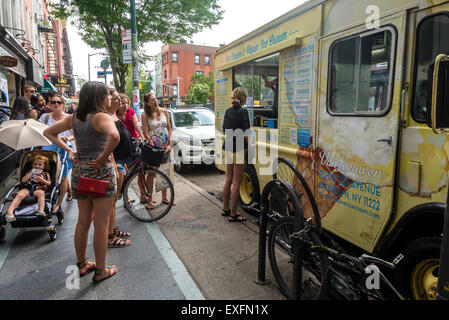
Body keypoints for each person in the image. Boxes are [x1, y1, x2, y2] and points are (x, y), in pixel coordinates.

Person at [44, 81, 120, 283]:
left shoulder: (74, 118)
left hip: (79, 172)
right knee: (101, 225)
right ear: (98, 97)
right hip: (100, 171)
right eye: (107, 94)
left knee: (83, 221)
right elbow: (114, 136)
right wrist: (104, 157)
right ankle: (101, 270)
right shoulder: (101, 117)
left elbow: (48, 133)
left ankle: (83, 263)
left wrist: (70, 150)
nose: (110, 98)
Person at [39, 93, 75, 214]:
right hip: (49, 149)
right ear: (50, 104)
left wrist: (68, 139)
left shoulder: (69, 117)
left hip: (65, 149)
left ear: (63, 104)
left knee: (63, 177)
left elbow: (74, 134)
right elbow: (40, 131)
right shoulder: (45, 117)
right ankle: (69, 191)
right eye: (53, 102)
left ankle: (59, 203)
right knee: (53, 175)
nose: (56, 104)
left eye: (58, 102)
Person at [105, 88, 131, 248]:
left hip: (121, 162)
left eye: (119, 99)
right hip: (116, 163)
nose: (119, 100)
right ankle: (109, 235)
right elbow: (109, 144)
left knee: (114, 201)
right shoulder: (107, 117)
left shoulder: (115, 115)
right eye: (115, 98)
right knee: (112, 201)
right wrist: (115, 165)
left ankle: (112, 229)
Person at [221, 87, 250, 222]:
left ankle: (225, 208)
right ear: (243, 98)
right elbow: (246, 134)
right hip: (238, 148)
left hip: (227, 147)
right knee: (237, 182)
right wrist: (250, 147)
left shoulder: (227, 111)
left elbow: (225, 131)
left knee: (228, 178)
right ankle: (233, 213)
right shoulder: (244, 112)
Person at [141, 92, 174, 209]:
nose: (155, 101)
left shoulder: (164, 112)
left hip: (165, 146)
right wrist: (152, 145)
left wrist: (169, 144)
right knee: (151, 172)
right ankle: (149, 200)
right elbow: (145, 132)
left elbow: (169, 129)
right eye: (152, 100)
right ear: (146, 103)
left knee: (164, 171)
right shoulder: (145, 115)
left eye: (155, 99)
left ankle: (164, 197)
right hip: (154, 147)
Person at [6, 155, 51, 222]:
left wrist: (42, 180)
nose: (37, 166)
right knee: (20, 194)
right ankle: (10, 212)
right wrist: (31, 173)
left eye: (40, 165)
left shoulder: (46, 174)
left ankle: (41, 210)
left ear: (44, 166)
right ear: (32, 165)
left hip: (39, 188)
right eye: (35, 164)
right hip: (28, 187)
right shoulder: (29, 172)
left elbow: (49, 183)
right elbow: (23, 180)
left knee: (41, 193)